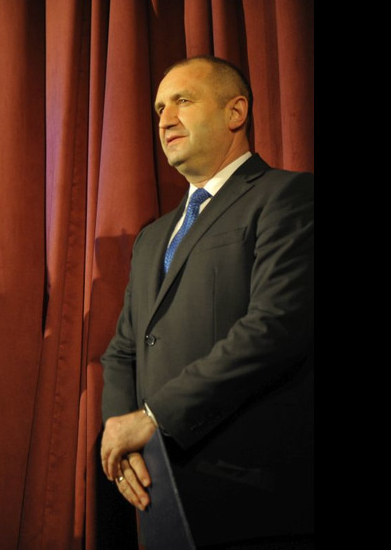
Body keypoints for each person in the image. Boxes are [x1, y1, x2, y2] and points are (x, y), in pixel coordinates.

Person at [99, 56, 313, 547]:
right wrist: (120, 434)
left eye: (182, 101)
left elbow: (274, 328)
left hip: (252, 492)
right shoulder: (152, 238)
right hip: (158, 490)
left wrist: (153, 417)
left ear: (235, 112)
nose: (165, 119)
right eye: (159, 109)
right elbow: (124, 350)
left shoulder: (287, 196)